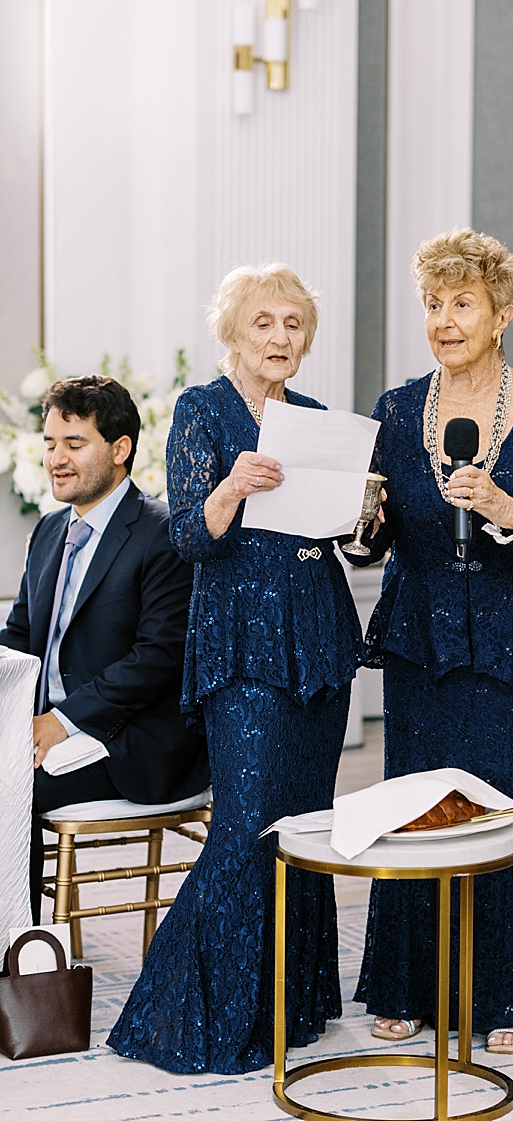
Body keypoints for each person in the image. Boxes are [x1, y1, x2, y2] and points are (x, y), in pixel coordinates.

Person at [108, 263, 364, 1073]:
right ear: (234, 331)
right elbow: (188, 532)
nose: (281, 337)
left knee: (306, 826)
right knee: (247, 826)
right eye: (265, 322)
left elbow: (340, 540)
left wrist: (365, 512)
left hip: (318, 635)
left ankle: (292, 1004)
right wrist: (231, 487)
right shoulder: (201, 410)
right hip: (240, 641)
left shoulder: (317, 418)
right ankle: (194, 1014)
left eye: (294, 324)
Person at [351, 229, 513, 1056]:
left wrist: (500, 506)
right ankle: (406, 983)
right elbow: (374, 540)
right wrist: (363, 526)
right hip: (421, 641)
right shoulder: (393, 408)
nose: (444, 320)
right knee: (414, 810)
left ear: (503, 312)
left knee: (505, 808)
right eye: (433, 304)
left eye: (462, 303)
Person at [1, 376, 207, 925]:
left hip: (132, 738)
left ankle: (19, 958)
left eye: (74, 443)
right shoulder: (48, 531)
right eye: (49, 444)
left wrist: (61, 722)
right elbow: (21, 636)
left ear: (120, 450)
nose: (55, 459)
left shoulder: (163, 533)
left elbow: (157, 659)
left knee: (8, 784)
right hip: (51, 727)